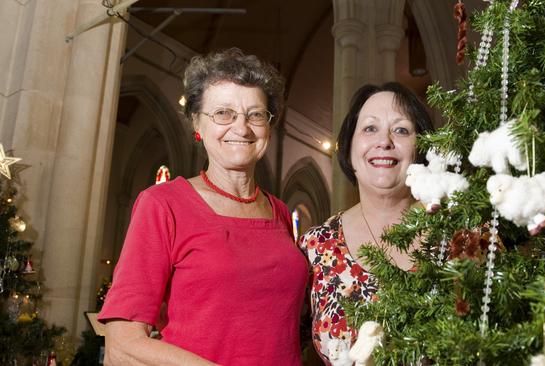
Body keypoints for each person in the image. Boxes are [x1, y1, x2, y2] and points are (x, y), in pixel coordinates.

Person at [99, 48, 308, 366]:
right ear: (197, 122)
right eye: (223, 113)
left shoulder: (279, 210)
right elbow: (122, 347)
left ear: (269, 126)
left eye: (255, 115)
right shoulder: (163, 204)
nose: (242, 128)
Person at [299, 82, 435, 364]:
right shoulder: (316, 247)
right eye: (370, 128)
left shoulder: (462, 235)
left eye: (401, 130)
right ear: (349, 148)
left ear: (421, 147)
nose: (384, 141)